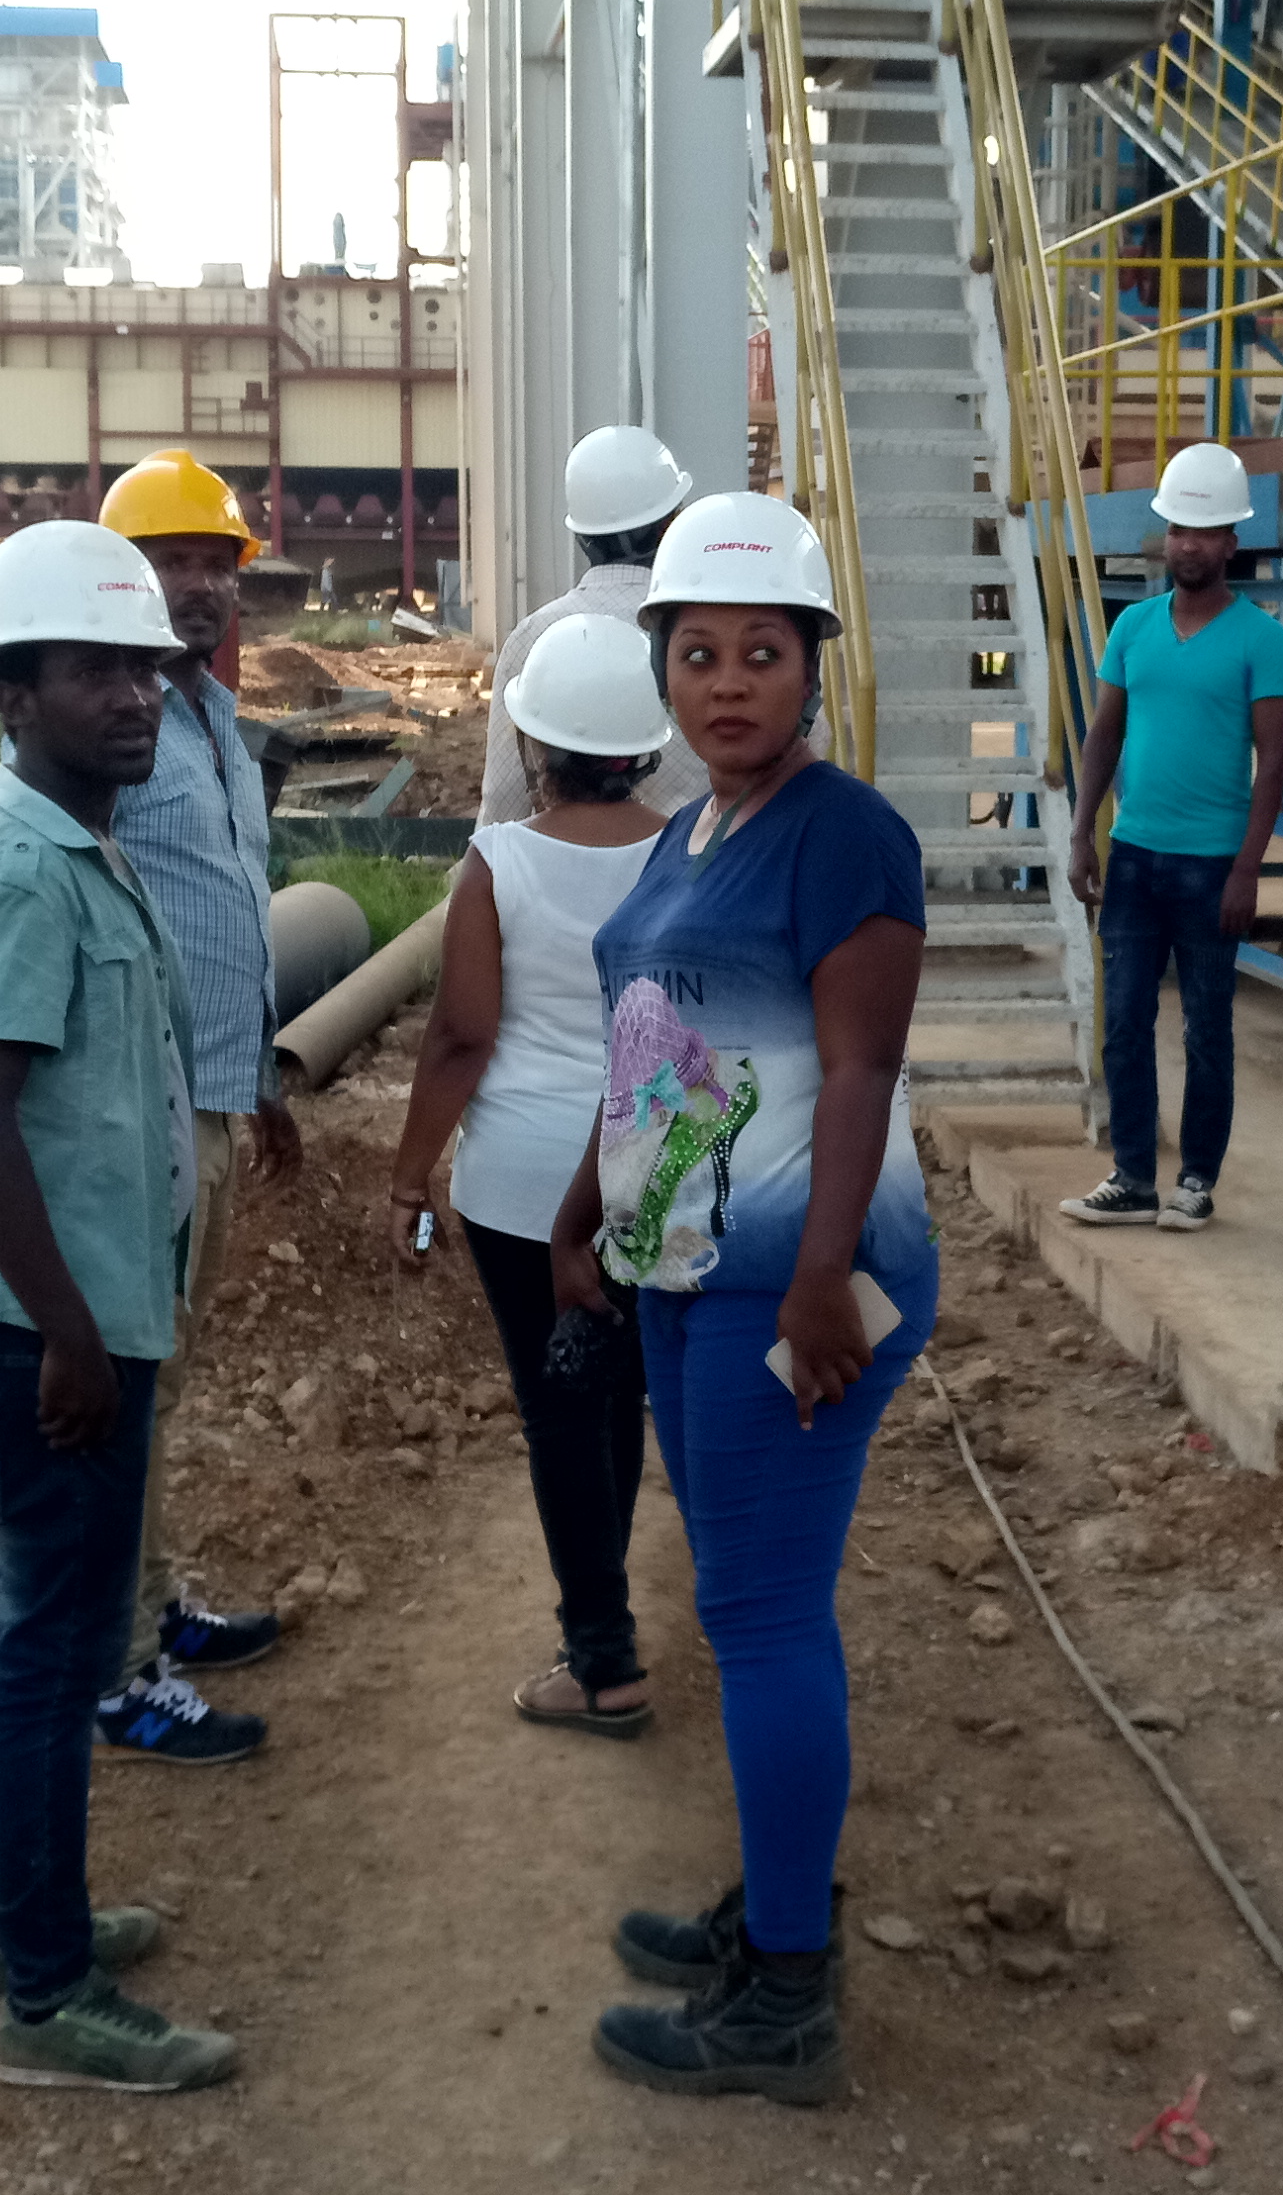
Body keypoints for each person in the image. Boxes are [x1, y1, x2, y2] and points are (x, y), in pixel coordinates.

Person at [547, 491, 935, 2106]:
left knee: (761, 1617)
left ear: (810, 663)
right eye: (696, 654)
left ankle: (785, 1994)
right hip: (684, 1270)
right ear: (660, 670)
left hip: (789, 1276)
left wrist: (830, 1272)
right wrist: (580, 1219)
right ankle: (774, 1903)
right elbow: (649, 1054)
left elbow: (855, 1066)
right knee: (738, 1597)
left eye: (759, 654)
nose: (726, 682)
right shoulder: (685, 837)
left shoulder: (844, 835)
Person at [0, 518, 239, 2093]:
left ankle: (8, 1930)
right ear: (9, 696)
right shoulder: (22, 869)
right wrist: (75, 1338)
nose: (133, 697)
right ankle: (49, 1998)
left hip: (70, 1316)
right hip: (49, 1334)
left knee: (9, 1626)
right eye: (92, 671)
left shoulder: (75, 847)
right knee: (53, 1650)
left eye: (146, 671)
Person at [383, 610, 672, 1737]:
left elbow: (460, 1038)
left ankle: (601, 1659)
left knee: (557, 1411)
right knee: (619, 1393)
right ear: (648, 743)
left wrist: (410, 1176)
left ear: (531, 747)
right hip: (647, 1168)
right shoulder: (693, 847)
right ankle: (606, 1627)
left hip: (516, 1188)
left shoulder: (497, 864)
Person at [83, 448, 297, 1766]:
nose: (204, 587)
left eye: (217, 565)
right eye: (174, 562)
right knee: (132, 1380)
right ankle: (121, 1670)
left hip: (217, 1092)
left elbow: (227, 913)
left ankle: (153, 1605)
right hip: (144, 1110)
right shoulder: (105, 734)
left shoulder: (208, 720)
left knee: (161, 1378)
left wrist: (263, 1074)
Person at [1059, 440, 1283, 1232]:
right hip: (1133, 856)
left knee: (1206, 1027)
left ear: (1233, 541)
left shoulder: (1261, 641)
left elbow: (1272, 768)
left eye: (1207, 532)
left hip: (1210, 868)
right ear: (1164, 536)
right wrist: (1082, 835)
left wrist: (1246, 870)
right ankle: (1131, 1177)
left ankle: (1195, 1181)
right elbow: (1104, 735)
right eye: (1179, 531)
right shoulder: (1132, 628)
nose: (1190, 545)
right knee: (1123, 1019)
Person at [477, 423, 709, 824]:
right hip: (710, 874)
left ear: (583, 537)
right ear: (671, 523)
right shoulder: (723, 635)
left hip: (571, 876)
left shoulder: (534, 638)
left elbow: (503, 799)